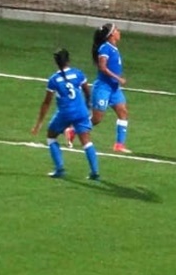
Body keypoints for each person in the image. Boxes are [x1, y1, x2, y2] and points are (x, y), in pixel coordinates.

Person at [30, 49, 100, 180]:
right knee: (86, 141)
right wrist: (88, 107)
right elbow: (87, 91)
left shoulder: (54, 79)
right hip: (81, 111)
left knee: (51, 136)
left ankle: (59, 169)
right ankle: (95, 172)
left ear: (56, 63)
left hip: (65, 113)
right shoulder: (78, 74)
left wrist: (38, 123)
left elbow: (46, 103)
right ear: (68, 60)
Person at [90, 22, 132, 153]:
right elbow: (102, 67)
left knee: (123, 112)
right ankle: (73, 130)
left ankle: (119, 145)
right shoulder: (105, 48)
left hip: (113, 88)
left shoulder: (113, 47)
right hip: (103, 87)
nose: (119, 32)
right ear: (111, 34)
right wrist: (118, 78)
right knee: (97, 119)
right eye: (117, 30)